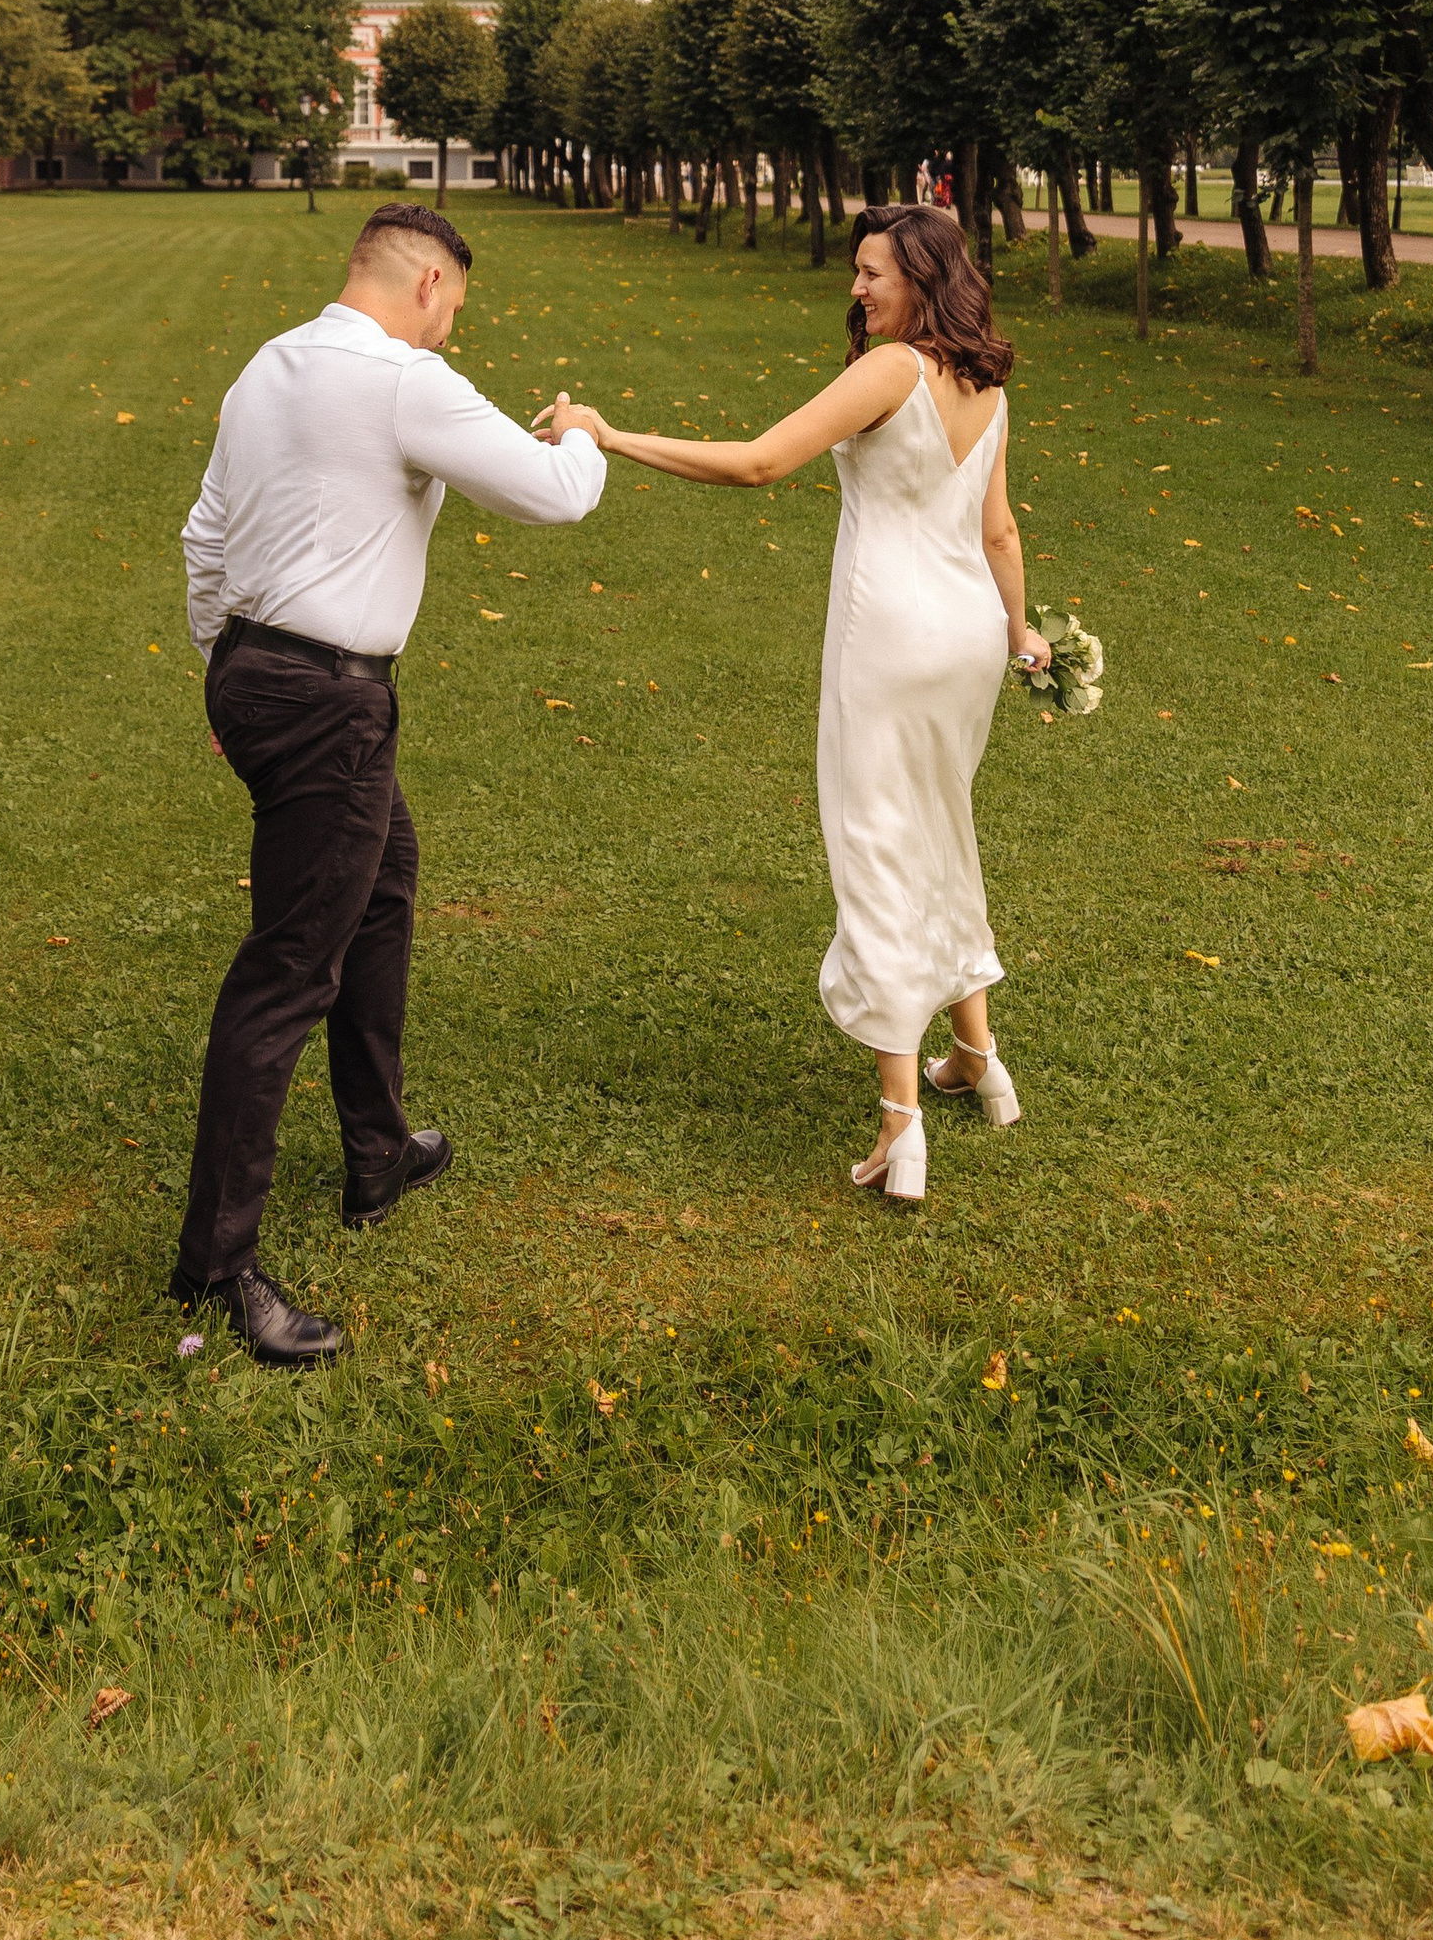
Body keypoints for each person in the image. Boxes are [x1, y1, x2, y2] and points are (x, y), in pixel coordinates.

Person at [540, 204, 1044, 1206]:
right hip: (967, 639)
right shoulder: (984, 382)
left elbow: (761, 461)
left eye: (873, 272)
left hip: (890, 639)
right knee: (940, 827)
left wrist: (608, 433)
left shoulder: (892, 370)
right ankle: (977, 1058)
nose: (856, 287)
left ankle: (900, 1122)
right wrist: (1019, 631)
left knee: (878, 846)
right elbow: (998, 531)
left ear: (922, 278)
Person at [174, 200, 607, 1364]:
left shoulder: (268, 367)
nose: (451, 330)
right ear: (425, 285)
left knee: (383, 880)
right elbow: (556, 492)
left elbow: (204, 536)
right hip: (326, 697)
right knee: (287, 970)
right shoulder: (403, 378)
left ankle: (376, 1151)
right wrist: (583, 431)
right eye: (454, 307)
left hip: (256, 674)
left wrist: (231, 674)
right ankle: (217, 1264)